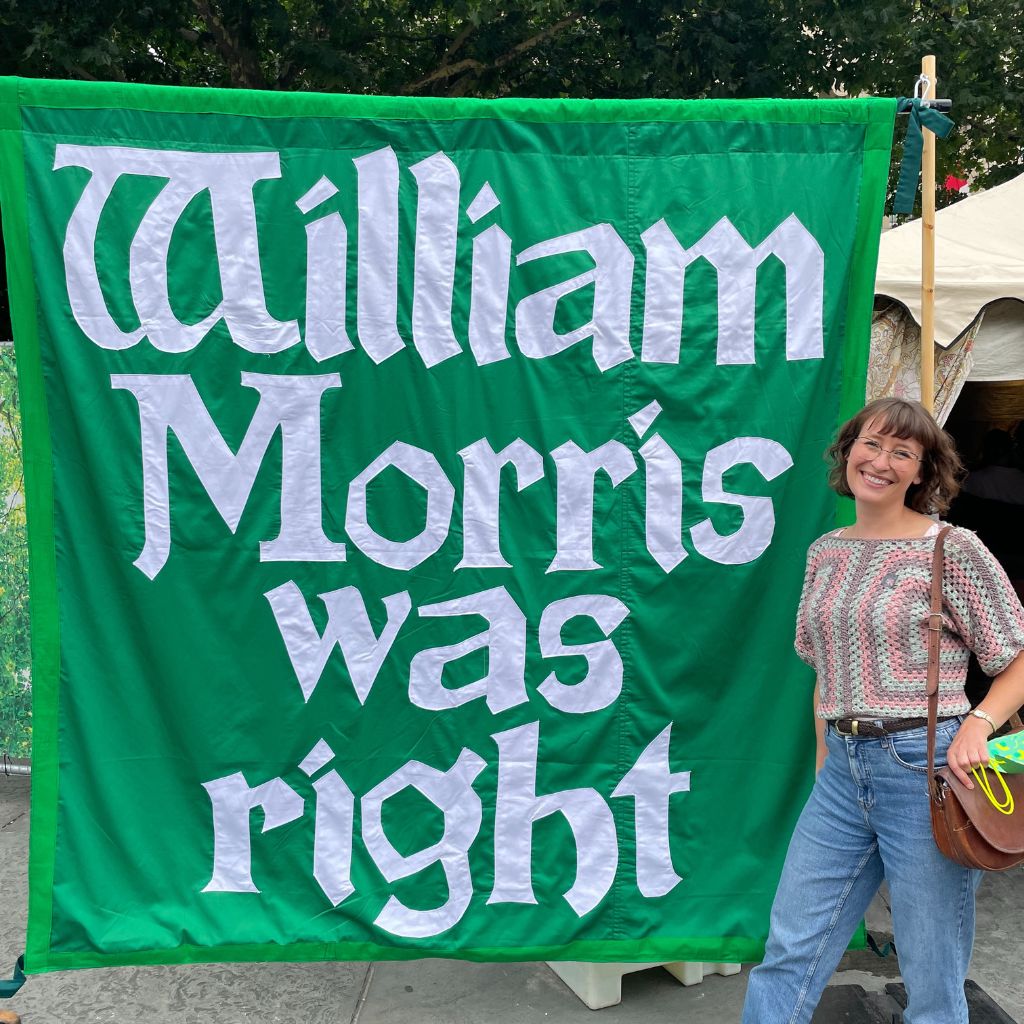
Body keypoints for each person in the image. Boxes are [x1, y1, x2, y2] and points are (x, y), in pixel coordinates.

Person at [741, 397, 1024, 1024]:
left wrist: (978, 724)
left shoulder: (952, 549)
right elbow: (823, 670)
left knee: (930, 969)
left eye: (904, 452)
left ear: (922, 472)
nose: (883, 461)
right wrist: (825, 762)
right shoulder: (825, 551)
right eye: (872, 444)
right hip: (843, 771)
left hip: (926, 767)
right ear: (849, 452)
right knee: (791, 946)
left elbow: (1017, 657)